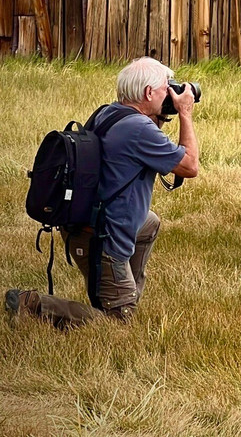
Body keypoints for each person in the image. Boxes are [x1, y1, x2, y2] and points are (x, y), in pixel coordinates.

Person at [5, 57, 199, 329]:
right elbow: (189, 166)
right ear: (148, 93)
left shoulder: (110, 112)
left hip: (86, 223)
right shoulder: (139, 129)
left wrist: (162, 113)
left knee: (149, 223)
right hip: (103, 238)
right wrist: (186, 114)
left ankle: (122, 292)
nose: (172, 93)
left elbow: (138, 147)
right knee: (116, 326)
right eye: (166, 88)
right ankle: (32, 303)